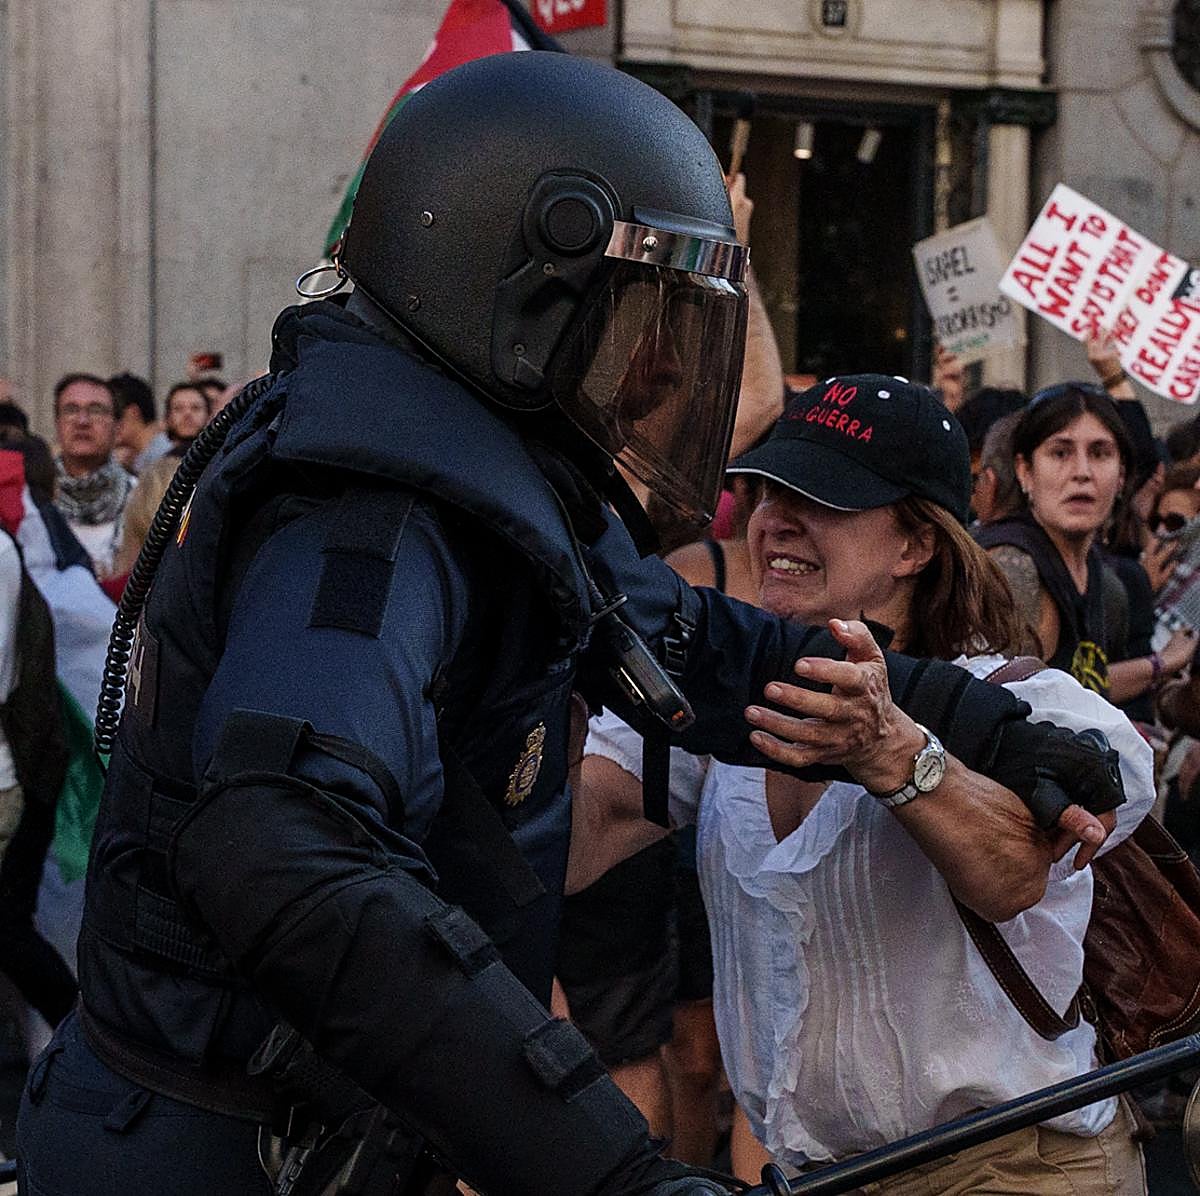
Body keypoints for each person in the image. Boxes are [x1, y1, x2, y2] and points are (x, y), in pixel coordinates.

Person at [17, 54, 1123, 1196]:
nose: (653, 366)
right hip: (216, 1156)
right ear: (525, 294)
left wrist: (991, 727)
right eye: (636, 316)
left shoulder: (487, 490)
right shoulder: (367, 522)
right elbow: (287, 849)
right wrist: (612, 1177)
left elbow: (702, 642)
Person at [575, 377, 1155, 1191]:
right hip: (819, 1176)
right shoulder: (730, 712)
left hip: (1015, 1167)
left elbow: (1012, 875)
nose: (776, 518)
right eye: (768, 489)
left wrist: (894, 754)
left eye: (823, 499)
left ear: (916, 546)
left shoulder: (1026, 703)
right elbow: (574, 836)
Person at [977, 382, 1194, 704]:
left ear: (1121, 476)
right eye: (1060, 452)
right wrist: (1159, 664)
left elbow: (1087, 692)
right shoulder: (1008, 568)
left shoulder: (1107, 586)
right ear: (1025, 471)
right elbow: (1004, 710)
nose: (1082, 472)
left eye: (1100, 453)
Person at [51, 373, 134, 578]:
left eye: (96, 410)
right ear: (57, 424)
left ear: (118, 427)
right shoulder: (34, 501)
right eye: (71, 410)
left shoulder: (140, 498)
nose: (82, 421)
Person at [111, 373, 171, 476]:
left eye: (112, 414)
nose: (108, 422)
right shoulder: (138, 459)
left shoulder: (164, 457)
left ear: (133, 413)